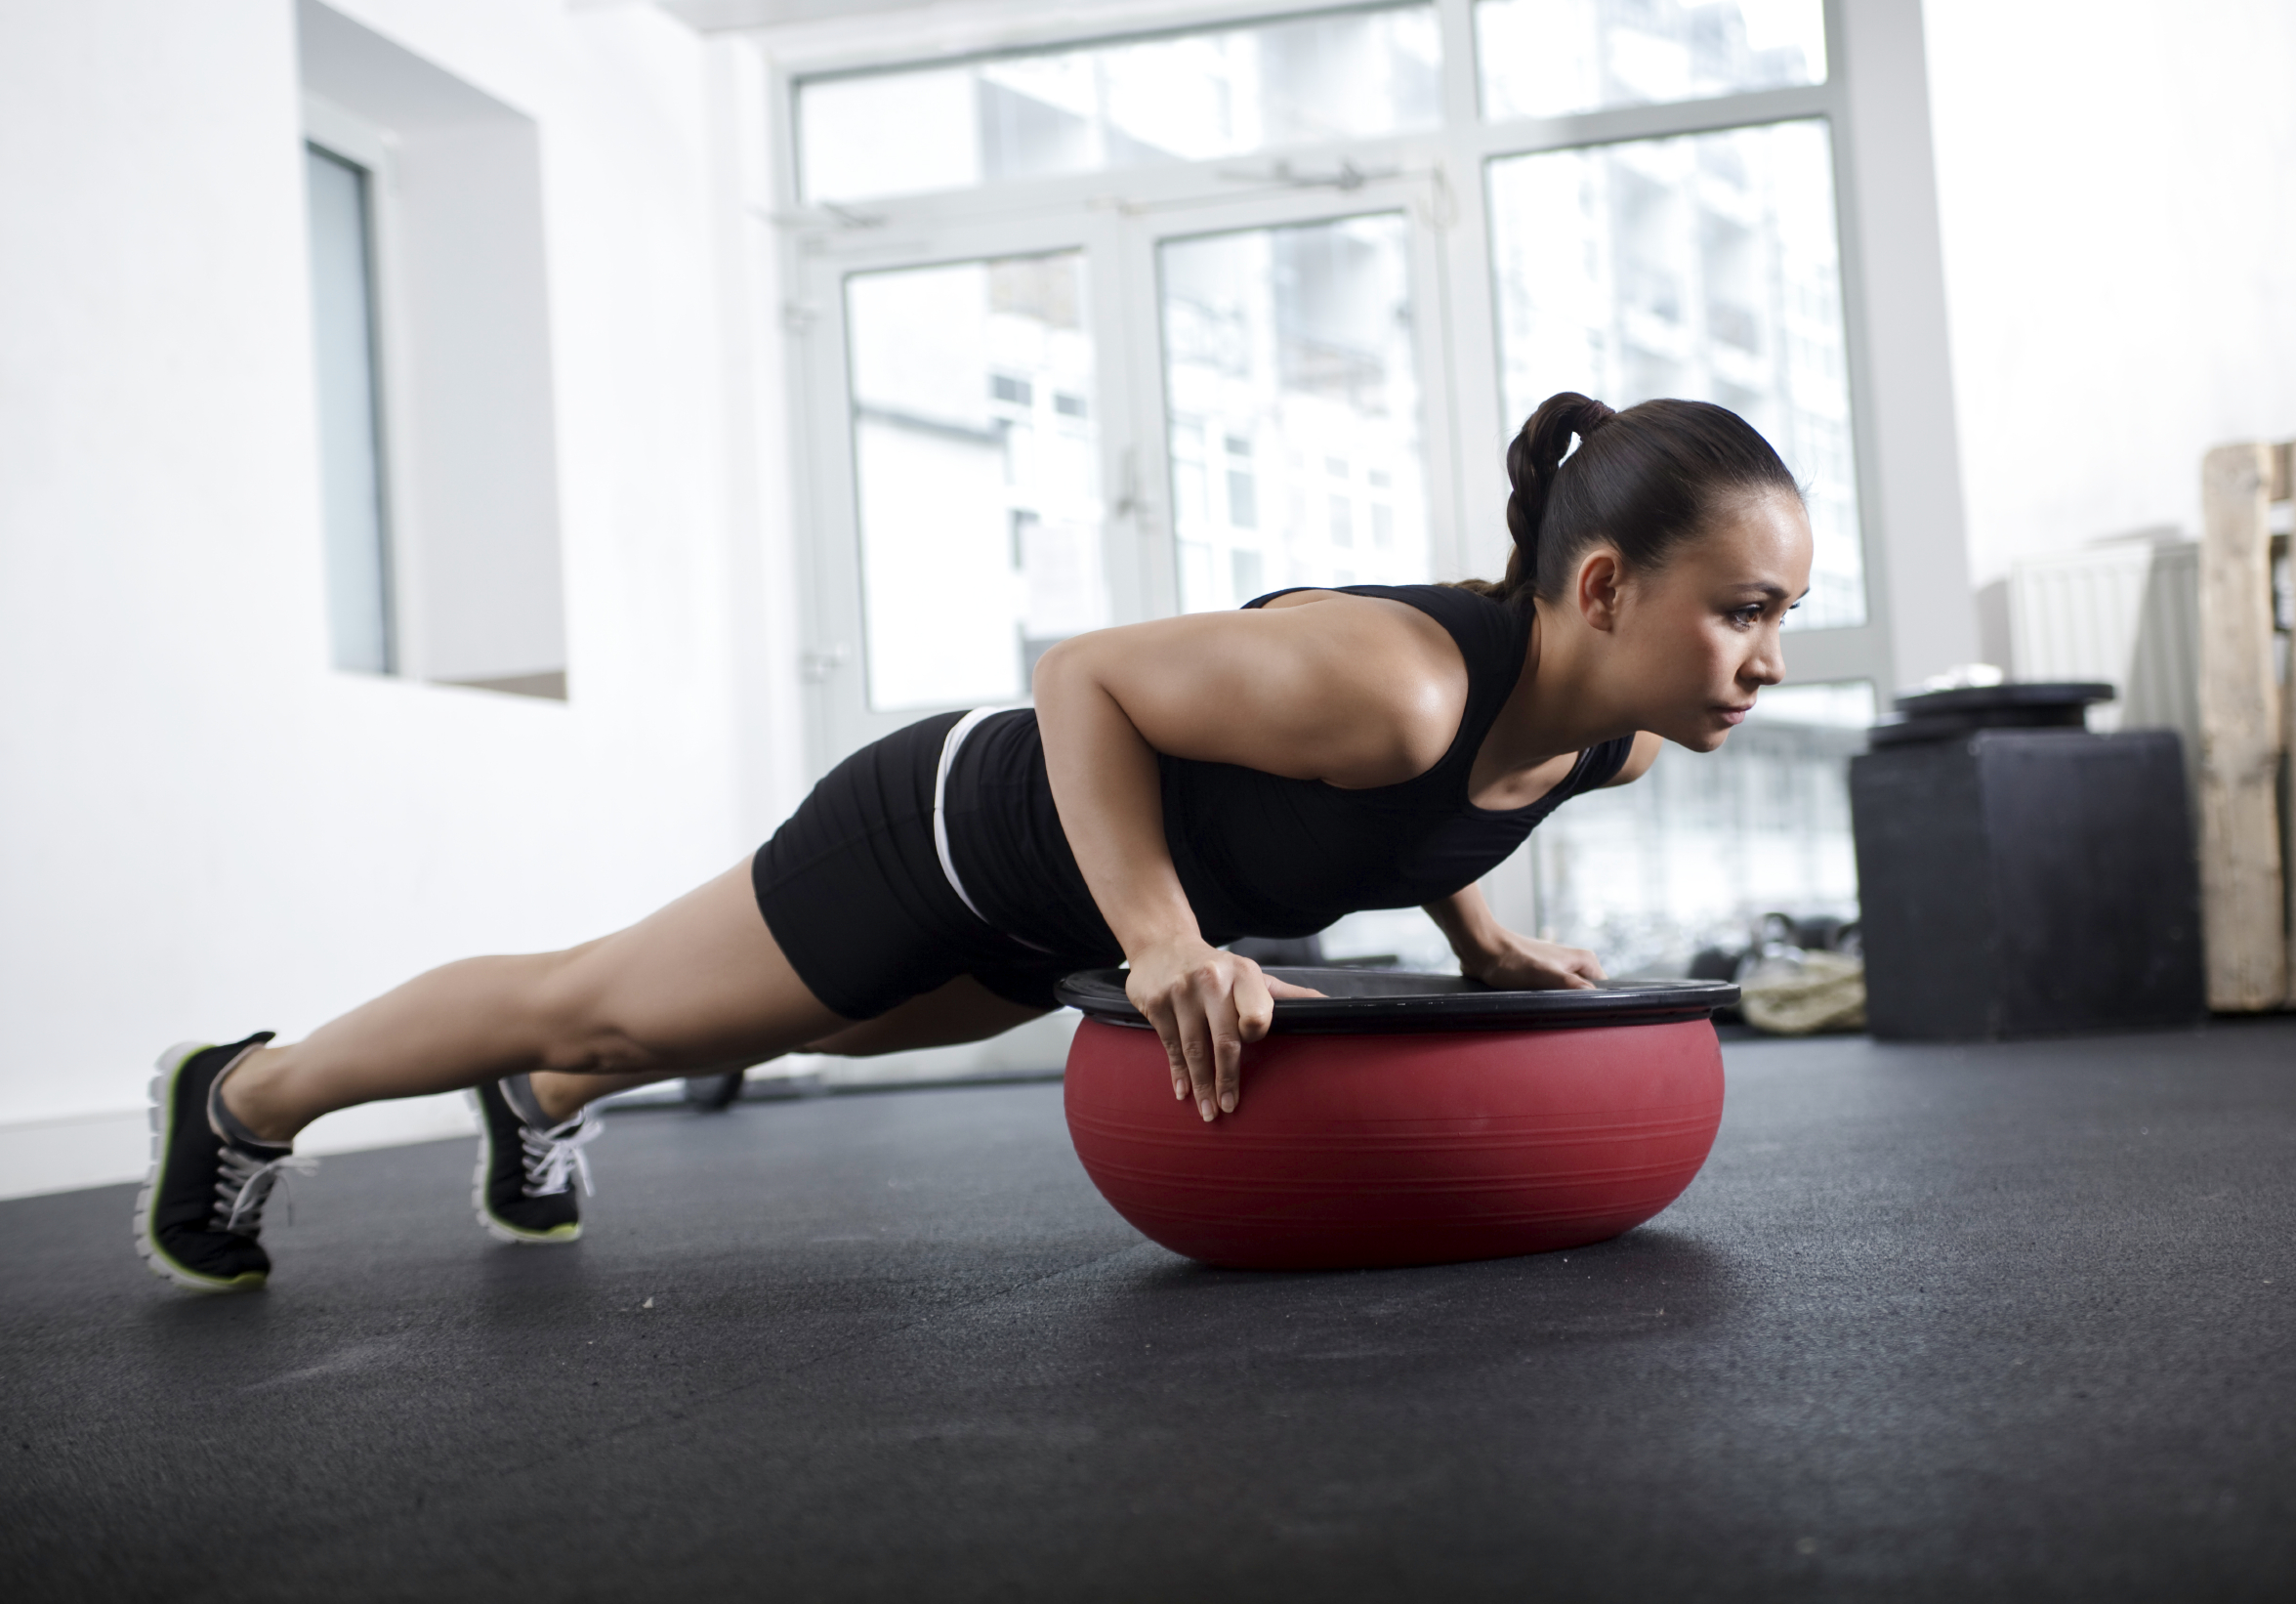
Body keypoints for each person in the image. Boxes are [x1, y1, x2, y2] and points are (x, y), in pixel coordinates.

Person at [136, 393, 1815, 1293]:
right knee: (607, 997)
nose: (1769, 660)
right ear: (1605, 588)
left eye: (1784, 616)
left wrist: (1482, 940)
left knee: (786, 1023)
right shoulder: (1390, 678)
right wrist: (1163, 939)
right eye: (1744, 611)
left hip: (1059, 919)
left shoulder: (1596, 744)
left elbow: (1408, 812)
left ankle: (542, 1105)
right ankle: (242, 1092)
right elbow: (1079, 678)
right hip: (956, 835)